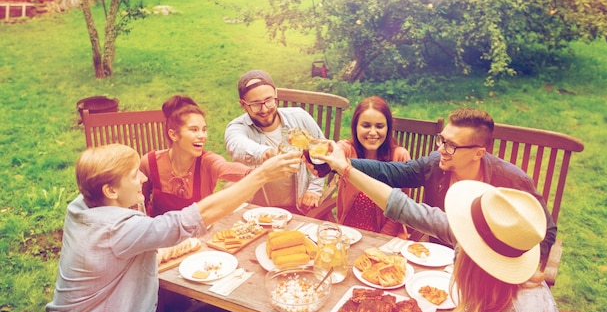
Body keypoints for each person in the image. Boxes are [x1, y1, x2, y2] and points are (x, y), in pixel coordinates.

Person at [320, 146, 603, 312]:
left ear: (480, 257)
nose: (458, 235)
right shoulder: (481, 236)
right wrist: (344, 167)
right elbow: (403, 207)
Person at [30, 143, 300, 312]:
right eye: (135, 175)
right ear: (110, 191)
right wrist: (262, 174)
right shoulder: (116, 230)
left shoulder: (83, 207)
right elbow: (197, 216)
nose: (144, 180)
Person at [345, 107, 556, 265]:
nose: (442, 150)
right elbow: (393, 172)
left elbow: (546, 230)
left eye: (452, 145)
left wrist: (526, 267)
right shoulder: (436, 164)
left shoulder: (511, 181)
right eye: (442, 140)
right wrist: (344, 163)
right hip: (437, 260)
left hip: (488, 267)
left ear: (478, 153)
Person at [224, 69, 326, 215]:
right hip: (256, 210)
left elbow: (321, 152)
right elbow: (237, 145)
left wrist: (314, 190)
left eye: (269, 100)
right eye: (256, 104)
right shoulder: (237, 128)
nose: (264, 109)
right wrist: (267, 153)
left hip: (297, 208)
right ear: (243, 104)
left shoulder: (300, 117)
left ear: (276, 95)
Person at [140, 95, 251, 217]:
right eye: (194, 130)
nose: (203, 136)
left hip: (198, 235)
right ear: (173, 135)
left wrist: (257, 172)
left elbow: (223, 167)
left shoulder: (206, 161)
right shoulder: (150, 162)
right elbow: (138, 205)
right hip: (159, 233)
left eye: (204, 130)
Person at [334, 96, 410, 237]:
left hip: (387, 238)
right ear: (355, 126)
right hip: (348, 235)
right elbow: (335, 151)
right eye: (366, 125)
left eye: (379, 126)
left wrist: (379, 240)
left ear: (388, 128)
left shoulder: (399, 156)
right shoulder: (348, 151)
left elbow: (400, 211)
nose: (373, 132)